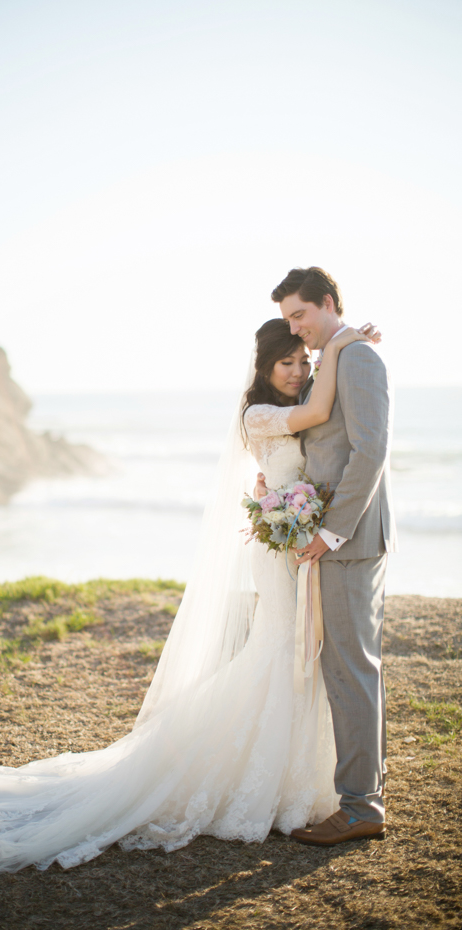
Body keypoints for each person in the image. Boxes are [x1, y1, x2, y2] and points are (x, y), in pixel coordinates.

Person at [0, 303, 379, 875]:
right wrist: (340, 345)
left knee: (301, 657)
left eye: (300, 359)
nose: (295, 369)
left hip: (298, 548)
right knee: (281, 652)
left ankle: (301, 781)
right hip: (277, 553)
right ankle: (253, 782)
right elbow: (320, 408)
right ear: (263, 368)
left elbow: (318, 435)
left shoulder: (295, 407)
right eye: (285, 362)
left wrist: (287, 495)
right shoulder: (261, 414)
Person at [271, 266, 397, 846]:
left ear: (327, 303)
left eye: (300, 315)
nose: (295, 329)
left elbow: (369, 453)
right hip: (331, 540)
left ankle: (360, 806)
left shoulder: (360, 360)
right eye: (287, 320)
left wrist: (332, 533)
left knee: (351, 669)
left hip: (349, 542)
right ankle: (363, 790)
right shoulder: (338, 357)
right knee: (346, 667)